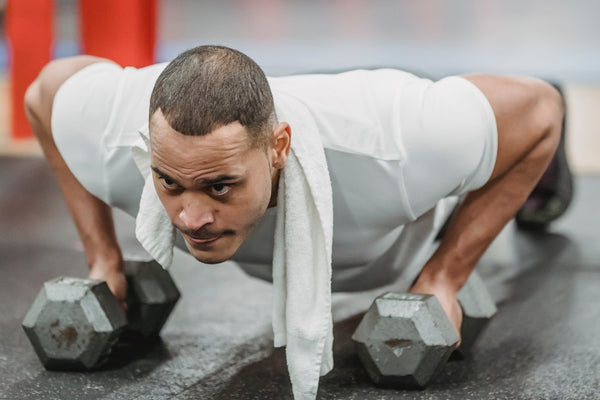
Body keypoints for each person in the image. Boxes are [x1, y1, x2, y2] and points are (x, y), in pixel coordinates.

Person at [24, 45, 564, 397]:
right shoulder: (113, 136)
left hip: (407, 196)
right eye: (170, 183)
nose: (192, 218)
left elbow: (540, 110)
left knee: (507, 132)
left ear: (279, 148)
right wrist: (103, 255)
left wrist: (446, 276)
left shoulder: (400, 147)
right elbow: (47, 91)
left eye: (219, 186)